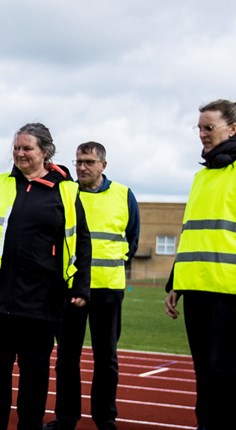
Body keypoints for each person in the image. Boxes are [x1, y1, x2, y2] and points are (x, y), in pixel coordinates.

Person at [0, 123, 91, 430]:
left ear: (45, 152)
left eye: (27, 148)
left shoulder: (66, 190)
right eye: (16, 147)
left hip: (42, 297)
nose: (19, 153)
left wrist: (81, 284)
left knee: (35, 373)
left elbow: (81, 239)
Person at [45, 142, 140, 430]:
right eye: (78, 162)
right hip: (71, 291)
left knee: (106, 359)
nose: (82, 167)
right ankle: (66, 418)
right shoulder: (67, 193)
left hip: (108, 290)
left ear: (103, 165)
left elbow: (132, 240)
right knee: (66, 359)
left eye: (88, 162)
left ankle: (105, 418)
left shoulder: (124, 195)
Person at [165, 99, 236, 430]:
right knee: (205, 372)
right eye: (200, 128)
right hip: (196, 288)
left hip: (229, 291)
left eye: (210, 128)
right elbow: (191, 235)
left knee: (224, 370)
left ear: (233, 129)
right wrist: (175, 282)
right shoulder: (201, 177)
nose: (203, 135)